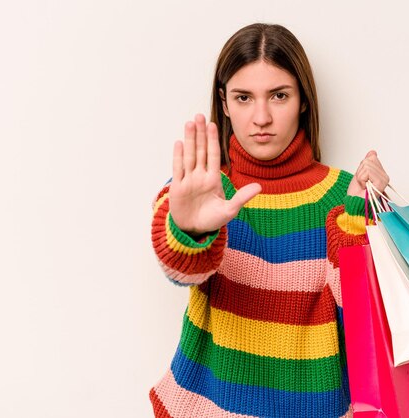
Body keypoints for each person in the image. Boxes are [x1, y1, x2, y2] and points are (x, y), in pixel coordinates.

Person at [149, 23, 390, 418]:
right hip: (211, 408)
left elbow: (368, 327)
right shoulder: (201, 188)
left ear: (303, 101)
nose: (261, 117)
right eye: (244, 98)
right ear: (224, 103)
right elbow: (178, 270)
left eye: (279, 95)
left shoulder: (346, 195)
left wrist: (361, 217)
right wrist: (192, 230)